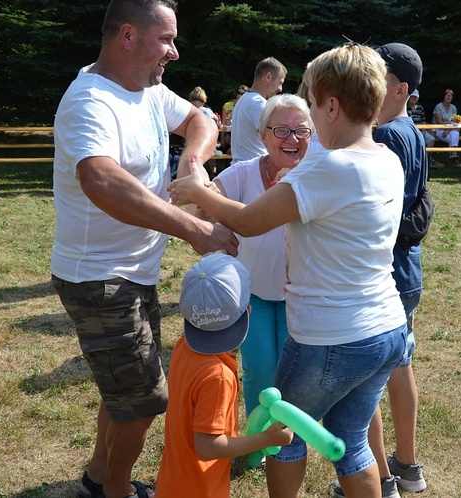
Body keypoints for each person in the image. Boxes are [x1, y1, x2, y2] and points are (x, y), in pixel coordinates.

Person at [169, 42, 409, 498]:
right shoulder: (384, 159)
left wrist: (198, 189)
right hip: (386, 330)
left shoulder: (326, 172)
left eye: (313, 104)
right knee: (352, 442)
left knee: (283, 436)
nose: (311, 118)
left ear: (332, 106)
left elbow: (244, 220)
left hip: (330, 336)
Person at [49, 2, 239, 498]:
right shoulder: (89, 100)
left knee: (126, 389)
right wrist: (194, 230)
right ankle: (116, 492)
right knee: (145, 397)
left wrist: (191, 166)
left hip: (133, 272)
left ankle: (97, 477)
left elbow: (201, 121)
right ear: (128, 35)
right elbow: (101, 179)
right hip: (99, 277)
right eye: (166, 40)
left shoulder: (149, 89)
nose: (174, 53)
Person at [331, 42, 429, 498]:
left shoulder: (387, 136)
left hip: (382, 274)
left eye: (380, 76)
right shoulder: (410, 131)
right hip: (405, 273)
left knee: (366, 380)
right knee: (398, 365)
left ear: (401, 88)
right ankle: (406, 466)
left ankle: (381, 479)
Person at [155, 252, 293, 498]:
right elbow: (207, 447)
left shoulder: (183, 345)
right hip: (201, 489)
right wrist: (266, 439)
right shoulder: (218, 376)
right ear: (248, 311)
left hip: (173, 481)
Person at [212, 94, 312, 417]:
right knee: (260, 368)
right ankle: (259, 439)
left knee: (292, 372)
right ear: (263, 135)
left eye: (301, 131)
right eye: (281, 130)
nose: (292, 139)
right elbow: (203, 202)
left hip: (300, 298)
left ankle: (288, 439)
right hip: (252, 295)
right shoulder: (242, 174)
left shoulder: (319, 178)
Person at [230, 57, 287, 165]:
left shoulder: (244, 99)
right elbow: (274, 138)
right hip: (254, 169)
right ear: (268, 77)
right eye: (280, 82)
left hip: (242, 167)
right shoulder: (258, 103)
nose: (280, 89)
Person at [407, 89, 443, 170]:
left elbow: (423, 121)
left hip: (420, 130)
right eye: (412, 97)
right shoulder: (405, 107)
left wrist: (423, 130)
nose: (414, 98)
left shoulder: (420, 107)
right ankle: (428, 161)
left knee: (431, 139)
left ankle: (424, 158)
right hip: (410, 131)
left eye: (415, 97)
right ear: (409, 97)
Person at [432, 88, 461, 167]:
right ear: (444, 96)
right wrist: (446, 129)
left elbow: (455, 121)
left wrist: (448, 130)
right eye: (447, 95)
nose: (448, 97)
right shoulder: (438, 106)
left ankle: (453, 155)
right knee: (454, 139)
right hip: (439, 128)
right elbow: (439, 122)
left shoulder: (453, 108)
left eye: (450, 96)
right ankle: (454, 157)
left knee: (455, 133)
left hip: (450, 129)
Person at [220, 85, 248, 150]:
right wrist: (222, 139)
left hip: (240, 132)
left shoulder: (246, 106)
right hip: (228, 130)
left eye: (242, 94)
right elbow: (223, 123)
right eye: (238, 93)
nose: (239, 95)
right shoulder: (228, 105)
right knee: (228, 140)